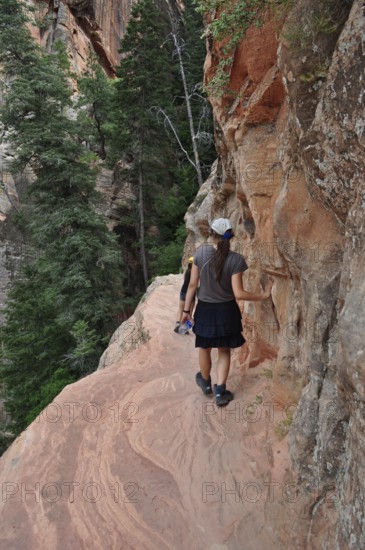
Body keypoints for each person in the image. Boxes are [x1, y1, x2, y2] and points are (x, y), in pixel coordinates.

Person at [180, 218, 273, 406]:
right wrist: (262, 296)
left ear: (211, 233)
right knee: (224, 350)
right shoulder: (236, 260)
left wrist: (186, 311)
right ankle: (220, 391)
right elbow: (238, 293)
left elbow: (192, 285)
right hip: (227, 311)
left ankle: (205, 382)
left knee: (204, 347)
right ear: (230, 235)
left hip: (205, 310)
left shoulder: (201, 253)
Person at [174, 256, 195, 333]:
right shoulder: (195, 273)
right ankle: (184, 328)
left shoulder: (187, 272)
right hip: (191, 295)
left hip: (183, 292)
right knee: (189, 312)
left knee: (180, 309)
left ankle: (177, 324)